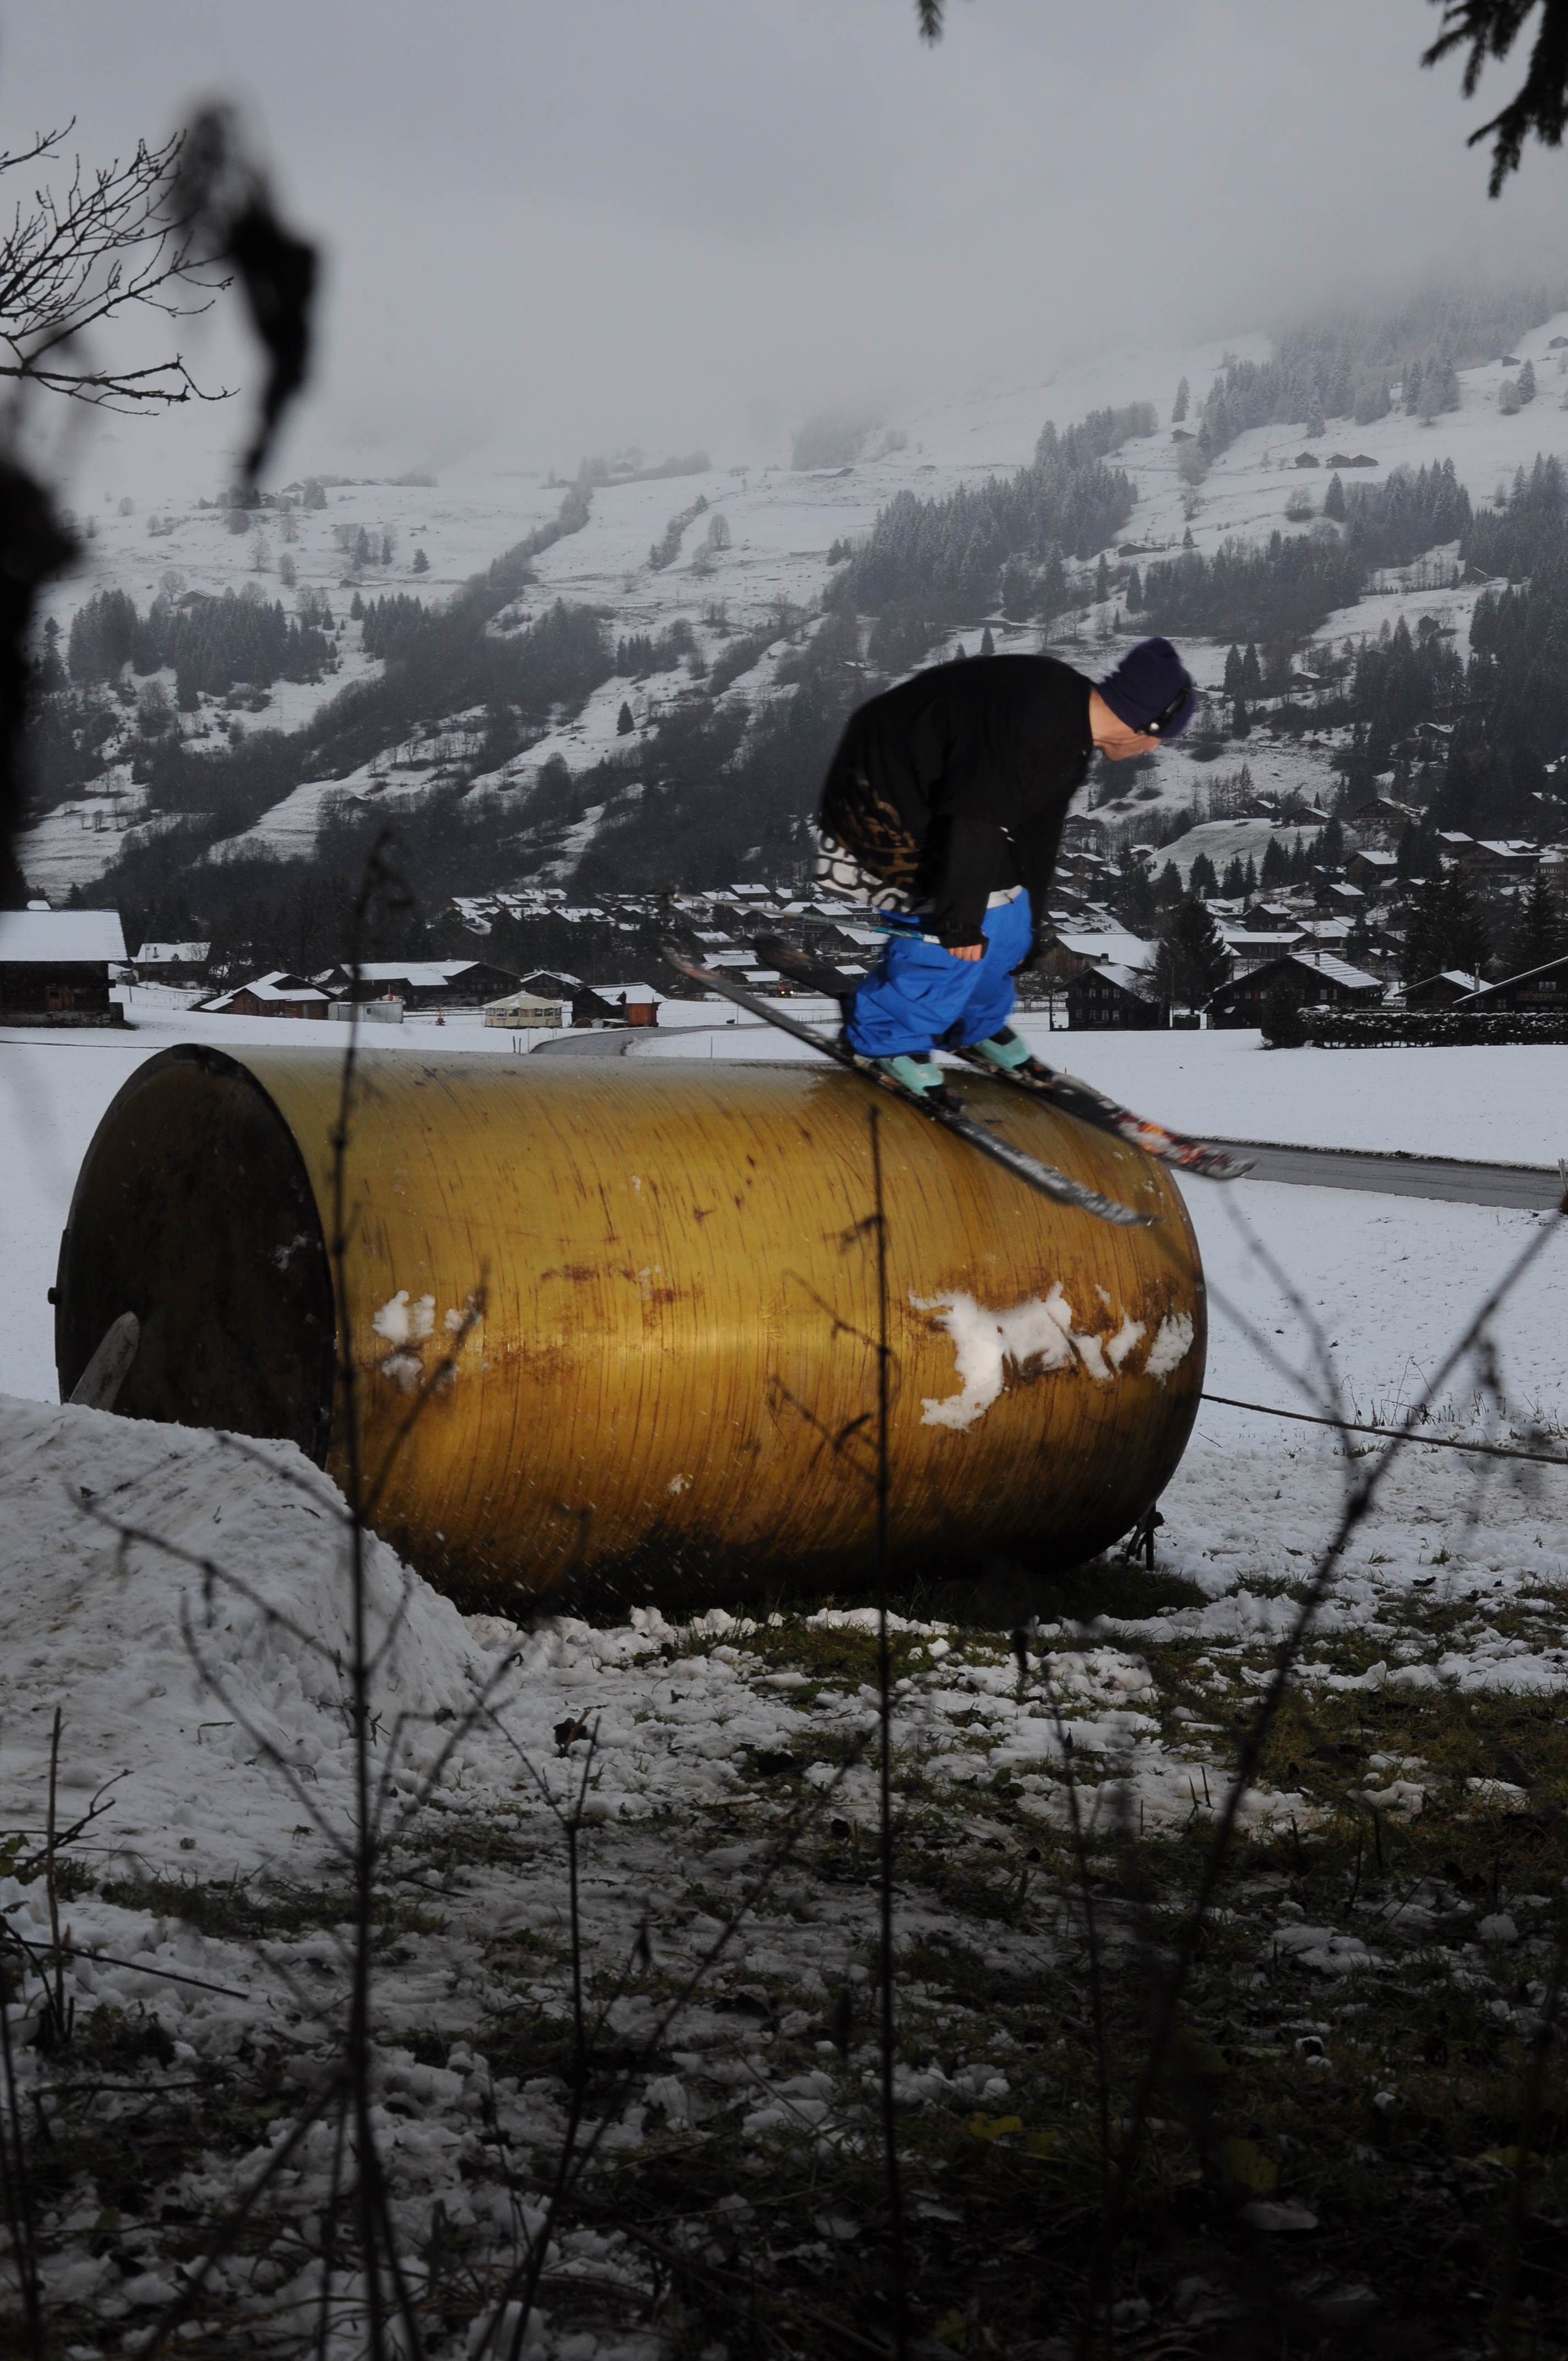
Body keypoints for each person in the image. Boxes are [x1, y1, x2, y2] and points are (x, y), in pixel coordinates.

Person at [814, 637, 1196, 1100]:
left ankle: (970, 1020)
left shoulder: (1072, 734)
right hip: (879, 792)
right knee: (954, 933)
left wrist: (1031, 924)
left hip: (944, 797)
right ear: (1144, 721)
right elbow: (975, 819)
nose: (1154, 747)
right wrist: (958, 923)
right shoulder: (1037, 722)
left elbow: (1038, 832)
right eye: (1160, 736)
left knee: (1008, 922)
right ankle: (884, 1039)